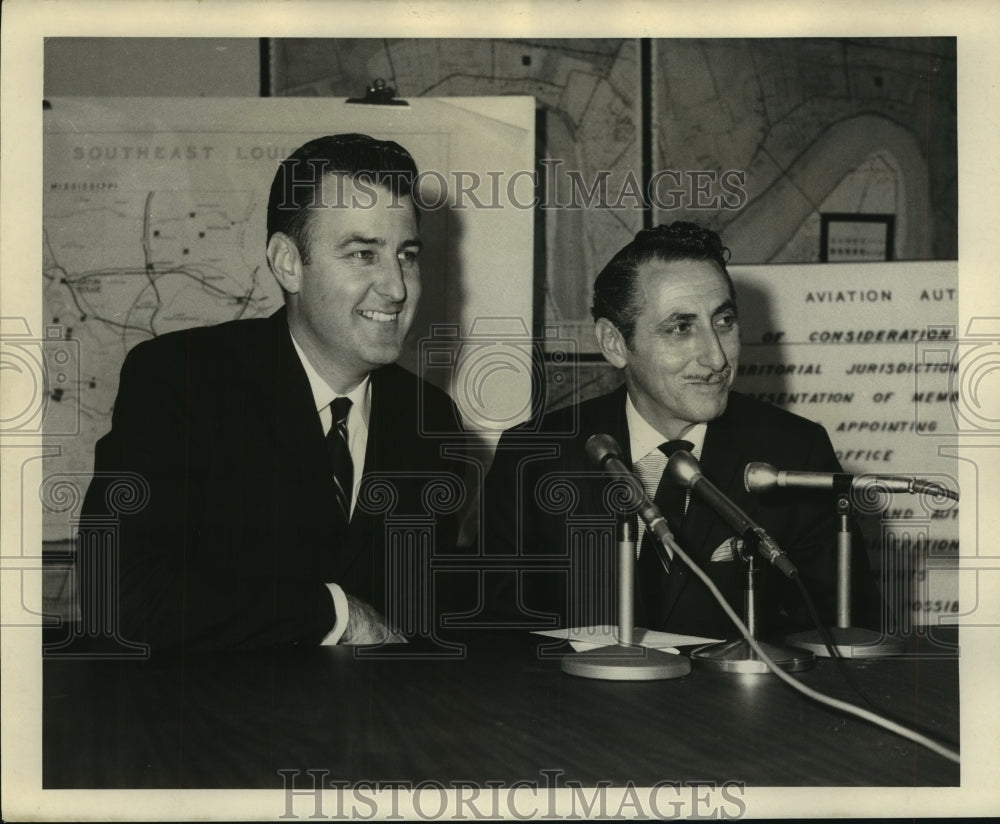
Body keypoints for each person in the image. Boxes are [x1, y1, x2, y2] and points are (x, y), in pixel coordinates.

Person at [76, 134, 466, 653]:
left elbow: (419, 616)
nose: (396, 287)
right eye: (362, 254)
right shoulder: (181, 381)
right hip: (207, 728)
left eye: (407, 255)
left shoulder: (431, 420)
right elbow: (121, 594)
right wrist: (336, 614)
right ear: (287, 263)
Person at [483, 222, 878, 640]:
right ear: (615, 344)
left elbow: (844, 638)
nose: (716, 356)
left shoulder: (794, 452)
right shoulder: (534, 454)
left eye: (723, 321)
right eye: (681, 328)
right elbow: (495, 637)